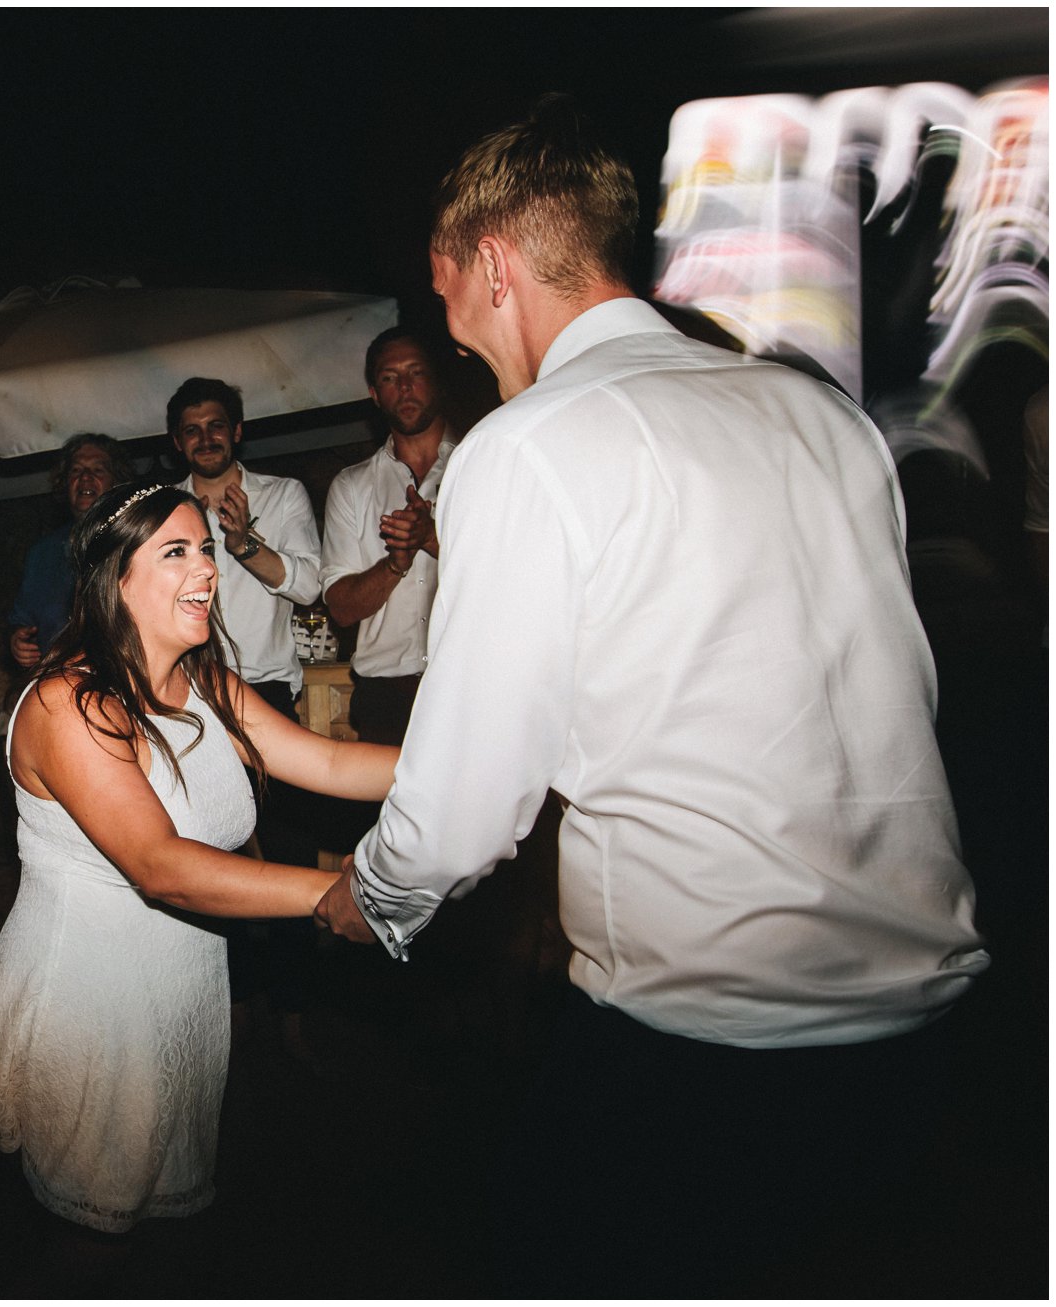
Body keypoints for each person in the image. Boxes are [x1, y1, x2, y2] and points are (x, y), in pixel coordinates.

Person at [313, 96, 990, 1296]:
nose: (457, 338)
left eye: (449, 303)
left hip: (714, 1045)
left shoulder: (527, 448)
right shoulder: (818, 414)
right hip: (924, 1040)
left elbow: (468, 803)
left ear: (493, 263)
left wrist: (370, 896)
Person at [0, 482, 398, 1233]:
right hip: (94, 1003)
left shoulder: (203, 681)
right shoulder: (65, 704)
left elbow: (333, 767)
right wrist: (337, 893)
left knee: (165, 1227)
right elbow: (160, 863)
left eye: (206, 548)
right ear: (115, 577)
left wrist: (466, 769)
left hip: (184, 992)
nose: (206, 568)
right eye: (176, 551)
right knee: (92, 1239)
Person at [166, 376, 326, 1057]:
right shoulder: (166, 508)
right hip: (188, 701)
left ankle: (293, 1018)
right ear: (177, 441)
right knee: (210, 867)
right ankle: (229, 1023)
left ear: (238, 431)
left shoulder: (281, 494)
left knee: (283, 861)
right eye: (193, 429)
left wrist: (243, 538)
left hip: (264, 697)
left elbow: (311, 582)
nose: (207, 437)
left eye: (217, 424)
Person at [319, 328, 458, 746]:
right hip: (386, 695)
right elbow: (341, 608)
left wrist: (432, 539)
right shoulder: (351, 485)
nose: (404, 387)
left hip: (470, 685)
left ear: (436, 380)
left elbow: (516, 583)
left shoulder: (483, 463)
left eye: (416, 373)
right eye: (389, 378)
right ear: (374, 394)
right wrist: (396, 562)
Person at [6, 433, 133, 668]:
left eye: (98, 470)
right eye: (76, 471)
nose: (85, 477)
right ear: (65, 484)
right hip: (57, 684)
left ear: (116, 482)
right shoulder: (42, 553)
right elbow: (21, 621)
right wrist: (18, 641)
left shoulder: (134, 540)